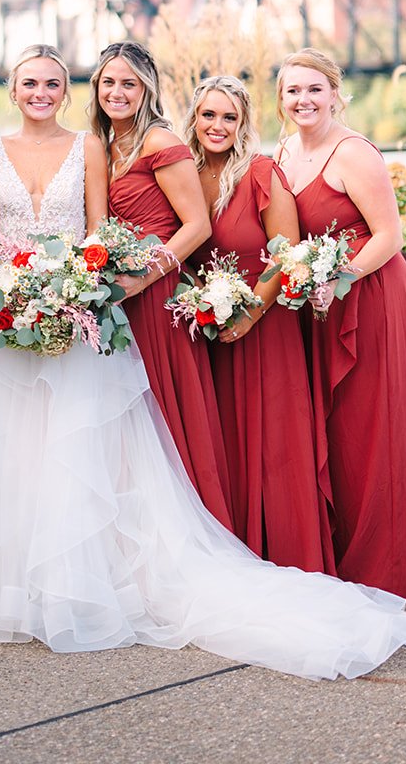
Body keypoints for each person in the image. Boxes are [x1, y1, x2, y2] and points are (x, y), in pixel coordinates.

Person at [0, 46, 406, 680]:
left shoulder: (89, 147)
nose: (39, 91)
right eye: (28, 81)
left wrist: (86, 284)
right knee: (11, 446)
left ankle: (88, 578)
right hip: (7, 311)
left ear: (66, 91)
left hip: (76, 308)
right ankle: (15, 584)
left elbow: (95, 227)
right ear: (14, 87)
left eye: (52, 82)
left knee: (82, 447)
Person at [277, 48, 406, 600]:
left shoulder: (353, 153)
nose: (303, 100)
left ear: (335, 94)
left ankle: (389, 562)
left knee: (374, 425)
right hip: (320, 302)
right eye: (292, 92)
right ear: (280, 100)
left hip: (371, 296)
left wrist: (341, 276)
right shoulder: (281, 153)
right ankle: (344, 551)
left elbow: (389, 236)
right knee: (337, 428)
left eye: (314, 90)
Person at [184, 75, 333, 573]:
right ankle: (232, 554)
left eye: (229, 117)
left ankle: (290, 557)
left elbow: (286, 255)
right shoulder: (184, 171)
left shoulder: (262, 172)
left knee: (275, 446)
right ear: (194, 118)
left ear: (244, 123)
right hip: (209, 327)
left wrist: (250, 312)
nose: (217, 126)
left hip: (264, 325)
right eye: (209, 115)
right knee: (221, 443)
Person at [90, 42, 232, 526]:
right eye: (108, 82)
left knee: (167, 415)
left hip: (156, 299)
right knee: (129, 427)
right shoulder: (103, 146)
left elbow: (196, 226)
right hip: (117, 303)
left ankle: (193, 528)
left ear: (146, 89)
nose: (117, 92)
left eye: (128, 82)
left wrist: (141, 278)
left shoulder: (158, 141)